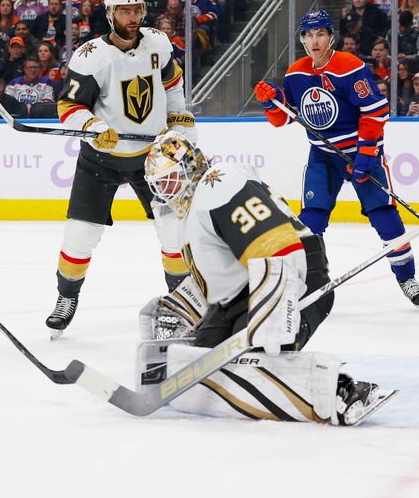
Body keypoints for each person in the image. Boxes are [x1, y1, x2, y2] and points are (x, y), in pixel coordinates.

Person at [137, 131, 393, 424]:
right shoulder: (193, 214)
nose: (167, 191)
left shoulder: (218, 182)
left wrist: (274, 309)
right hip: (249, 289)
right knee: (199, 364)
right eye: (159, 185)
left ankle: (341, 392)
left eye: (170, 179)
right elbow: (220, 276)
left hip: (296, 278)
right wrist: (184, 304)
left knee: (252, 360)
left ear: (191, 165)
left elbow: (277, 246)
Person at [45, 0, 198, 338]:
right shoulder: (91, 57)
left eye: (137, 10)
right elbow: (68, 106)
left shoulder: (159, 43)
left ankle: (183, 305)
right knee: (80, 235)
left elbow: (173, 88)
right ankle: (66, 298)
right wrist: (94, 124)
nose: (133, 17)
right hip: (101, 160)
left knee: (174, 233)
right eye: (125, 11)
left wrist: (181, 134)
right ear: (110, 13)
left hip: (153, 158)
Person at [253, 9, 419, 309]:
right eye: (308, 35)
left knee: (384, 216)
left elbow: (375, 112)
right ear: (302, 39)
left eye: (320, 33)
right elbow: (285, 119)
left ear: (330, 36)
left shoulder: (349, 66)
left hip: (362, 152)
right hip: (323, 156)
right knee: (310, 220)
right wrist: (272, 101)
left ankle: (407, 279)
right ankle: (310, 281)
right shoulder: (295, 73)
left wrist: (366, 153)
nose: (314, 41)